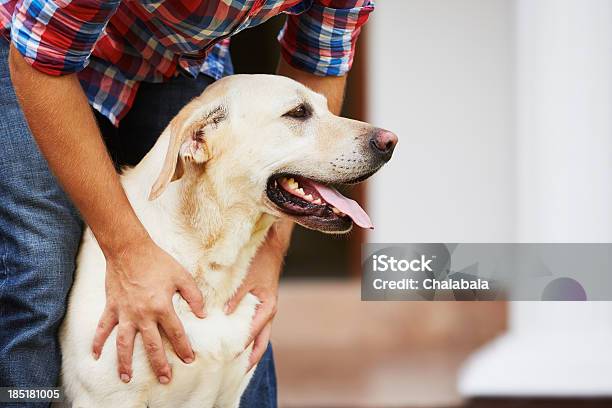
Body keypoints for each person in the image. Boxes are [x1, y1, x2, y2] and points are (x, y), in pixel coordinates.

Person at [0, 0, 373, 406]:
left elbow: (318, 63)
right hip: (33, 51)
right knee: (37, 272)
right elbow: (40, 58)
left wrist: (269, 250)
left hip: (180, 56)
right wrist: (128, 252)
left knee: (244, 296)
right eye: (297, 113)